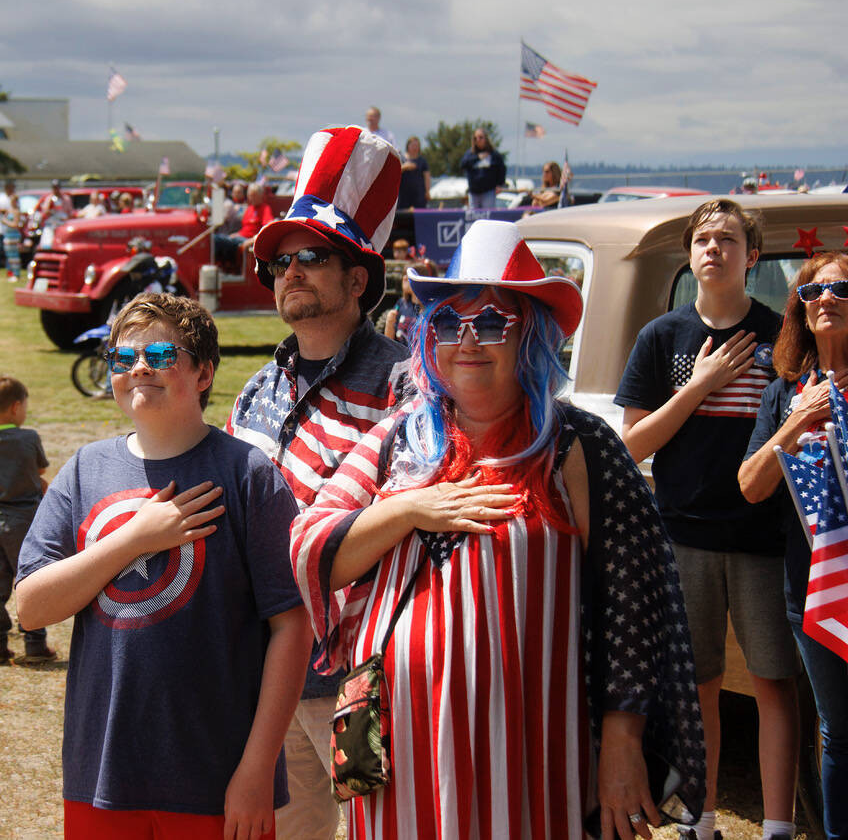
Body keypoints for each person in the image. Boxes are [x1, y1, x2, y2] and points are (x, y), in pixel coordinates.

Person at [292, 219, 706, 839]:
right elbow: (309, 549)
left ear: (531, 337)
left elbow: (633, 603)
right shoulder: (400, 440)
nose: (468, 341)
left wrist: (623, 739)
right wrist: (410, 508)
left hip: (536, 760)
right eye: (447, 324)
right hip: (404, 762)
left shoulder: (578, 446)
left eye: (491, 323)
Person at [15, 292, 309, 839]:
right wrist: (132, 541)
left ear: (203, 373)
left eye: (161, 355)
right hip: (101, 776)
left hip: (216, 780)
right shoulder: (85, 470)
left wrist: (257, 770)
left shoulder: (248, 474)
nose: (140, 368)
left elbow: (291, 625)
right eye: (124, 359)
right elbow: (31, 608)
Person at [229, 125, 409, 840]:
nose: (290, 271)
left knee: (378, 824)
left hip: (360, 676)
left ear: (357, 278)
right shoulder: (255, 391)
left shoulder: (402, 384)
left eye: (311, 257)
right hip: (267, 671)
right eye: (279, 261)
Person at [615, 199, 799, 840]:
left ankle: (778, 824)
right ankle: (701, 818)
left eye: (727, 240)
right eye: (701, 240)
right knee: (698, 689)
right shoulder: (661, 337)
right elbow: (632, 445)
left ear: (753, 257)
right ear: (690, 255)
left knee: (775, 684)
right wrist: (700, 385)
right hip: (681, 538)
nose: (712, 249)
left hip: (765, 540)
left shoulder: (782, 336)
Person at [739, 250, 848, 840]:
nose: (826, 300)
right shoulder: (787, 392)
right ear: (801, 313)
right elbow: (750, 486)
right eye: (813, 294)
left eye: (840, 289)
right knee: (837, 731)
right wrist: (796, 422)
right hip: (813, 585)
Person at [0, 374, 53, 665]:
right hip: (25, 522)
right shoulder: (29, 438)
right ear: (16, 407)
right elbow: (40, 470)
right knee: (30, 581)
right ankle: (34, 645)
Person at [459, 127, 507, 209]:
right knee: (474, 217)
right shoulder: (470, 153)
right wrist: (477, 158)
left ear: (486, 139)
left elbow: (502, 169)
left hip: (488, 192)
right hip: (474, 192)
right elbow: (463, 164)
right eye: (475, 138)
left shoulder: (493, 154)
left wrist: (500, 184)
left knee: (488, 217)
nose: (478, 140)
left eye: (480, 137)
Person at [398, 135, 430, 209]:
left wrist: (427, 191)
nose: (415, 147)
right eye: (413, 145)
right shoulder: (401, 159)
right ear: (408, 146)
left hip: (419, 196)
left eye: (417, 145)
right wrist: (405, 167)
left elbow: (427, 177)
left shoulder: (422, 161)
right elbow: (395, 172)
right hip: (403, 196)